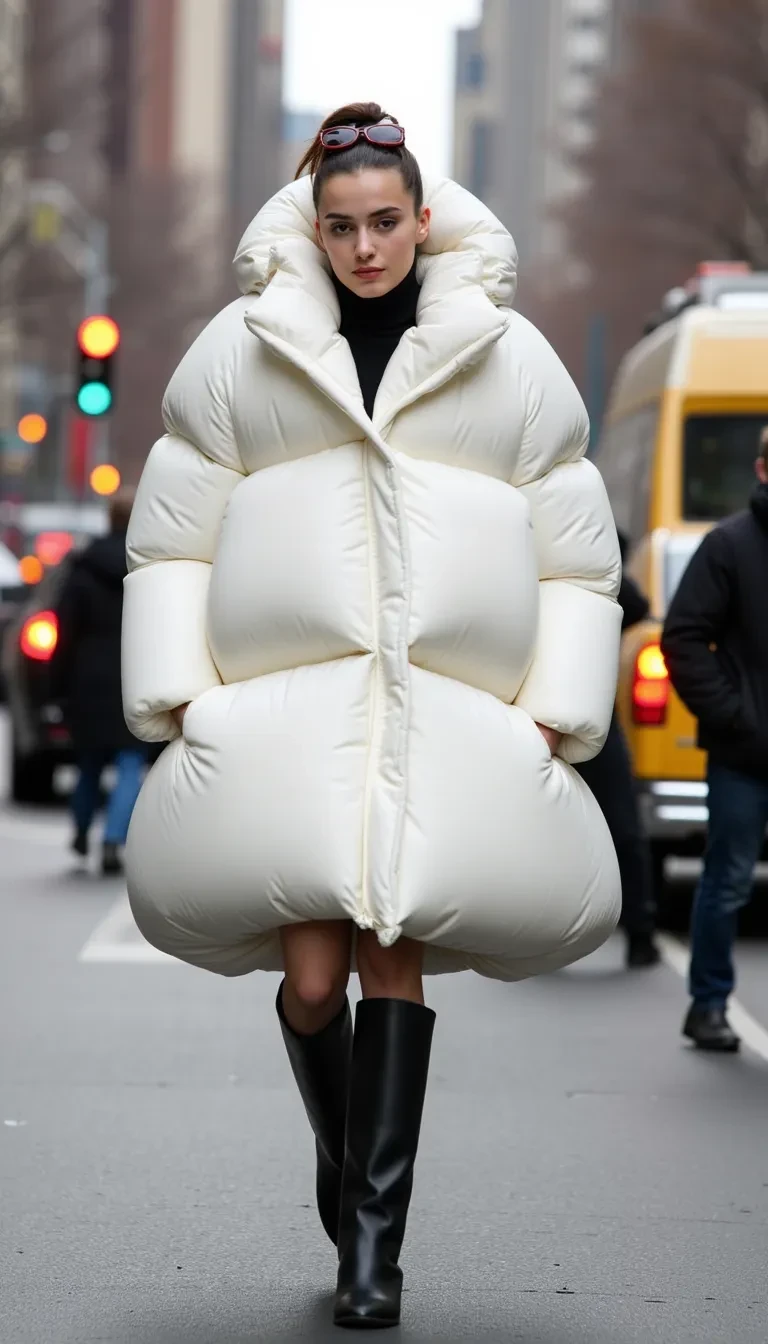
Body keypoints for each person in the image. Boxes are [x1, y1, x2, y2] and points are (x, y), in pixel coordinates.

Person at [121, 103, 623, 1329]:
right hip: (292, 718)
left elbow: (575, 547)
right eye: (342, 226)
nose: (364, 249)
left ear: (424, 217)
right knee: (307, 979)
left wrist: (561, 707)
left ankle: (373, 1251)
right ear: (314, 224)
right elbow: (173, 531)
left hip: (437, 716)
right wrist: (178, 693)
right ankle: (347, 1166)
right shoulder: (243, 350)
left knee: (392, 944)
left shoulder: (506, 354)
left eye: (386, 222)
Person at [662, 426, 768, 1052]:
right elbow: (682, 639)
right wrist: (735, 715)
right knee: (726, 881)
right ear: (761, 469)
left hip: (742, 744)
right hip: (744, 756)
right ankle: (707, 1006)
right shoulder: (728, 546)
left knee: (724, 880)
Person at [577, 533, 660, 968]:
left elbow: (639, 606)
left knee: (624, 829)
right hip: (556, 716)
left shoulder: (599, 576)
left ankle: (641, 931)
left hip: (593, 718)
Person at [54, 489, 147, 875]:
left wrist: (57, 688)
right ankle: (112, 839)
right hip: (134, 675)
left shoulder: (83, 566)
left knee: (88, 762)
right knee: (130, 763)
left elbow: (64, 630)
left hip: (88, 679)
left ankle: (79, 829)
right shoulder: (148, 567)